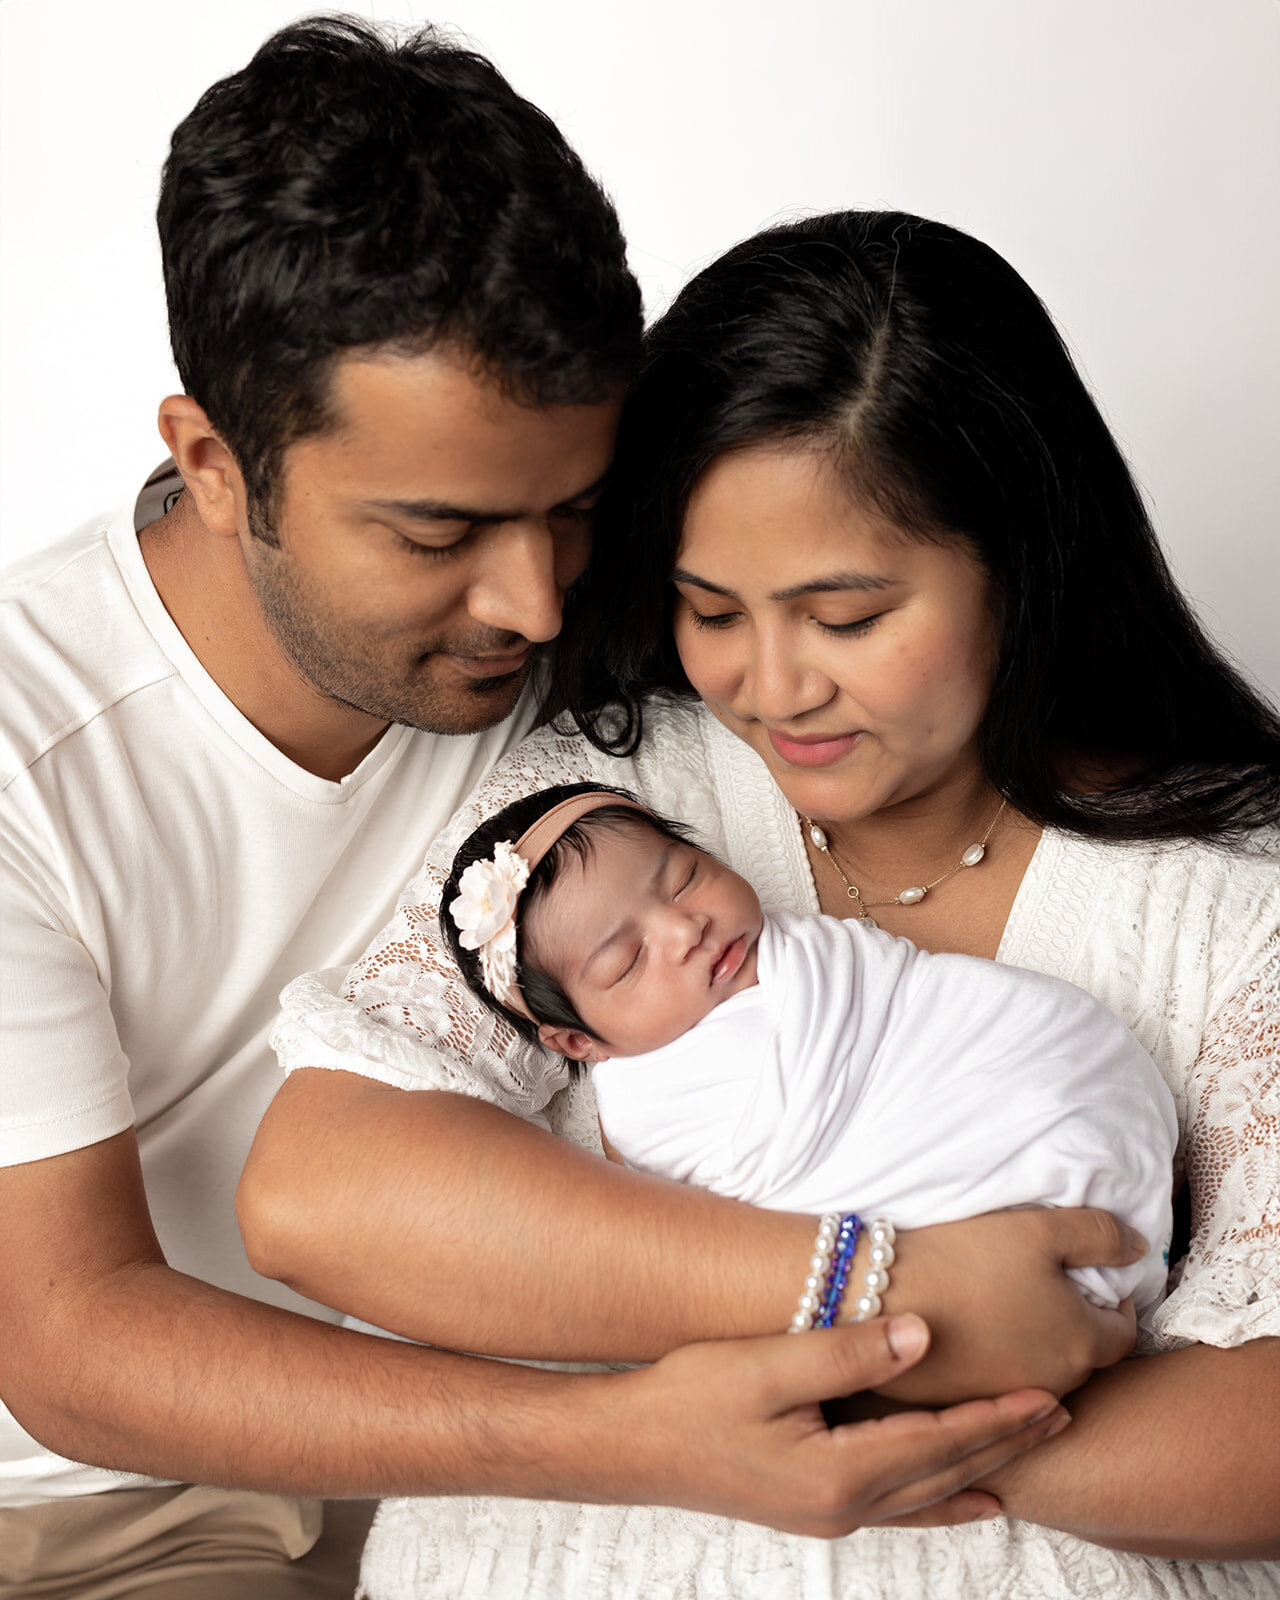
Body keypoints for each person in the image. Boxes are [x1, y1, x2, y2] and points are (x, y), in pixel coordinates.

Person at [0, 27, 1086, 1598]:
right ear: (215, 464)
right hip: (131, 1507)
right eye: (437, 532)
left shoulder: (628, 612)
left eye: (571, 507)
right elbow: (71, 1341)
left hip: (559, 1398)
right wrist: (653, 1427)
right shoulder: (31, 758)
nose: (531, 599)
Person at [245, 210, 1280, 1598]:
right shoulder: (620, 805)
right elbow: (325, 1191)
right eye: (711, 611)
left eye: (845, 619)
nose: (773, 689)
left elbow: (1256, 1445)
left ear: (1024, 568)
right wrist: (877, 1298)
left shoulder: (1224, 901)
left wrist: (845, 1409)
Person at [440, 781, 1176, 1316]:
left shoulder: (801, 952)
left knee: (1060, 1069)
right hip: (936, 1236)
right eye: (626, 963)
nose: (684, 929)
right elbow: (732, 1241)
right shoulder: (652, 1102)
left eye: (685, 877)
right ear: (581, 1041)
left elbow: (914, 1004)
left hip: (1036, 1070)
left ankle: (1102, 1177)